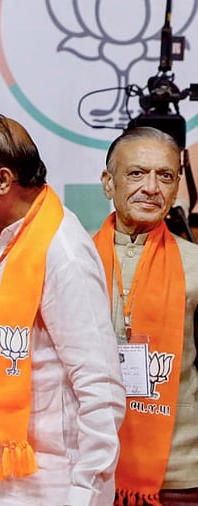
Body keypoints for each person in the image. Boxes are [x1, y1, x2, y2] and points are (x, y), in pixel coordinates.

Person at [0, 113, 126, 504]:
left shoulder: (62, 250)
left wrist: (86, 495)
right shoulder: (5, 236)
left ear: (2, 180)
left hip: (42, 488)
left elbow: (100, 389)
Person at [94, 126, 198, 504]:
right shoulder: (75, 260)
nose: (151, 187)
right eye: (136, 173)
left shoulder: (196, 267)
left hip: (181, 470)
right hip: (89, 467)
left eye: (165, 175)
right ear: (108, 182)